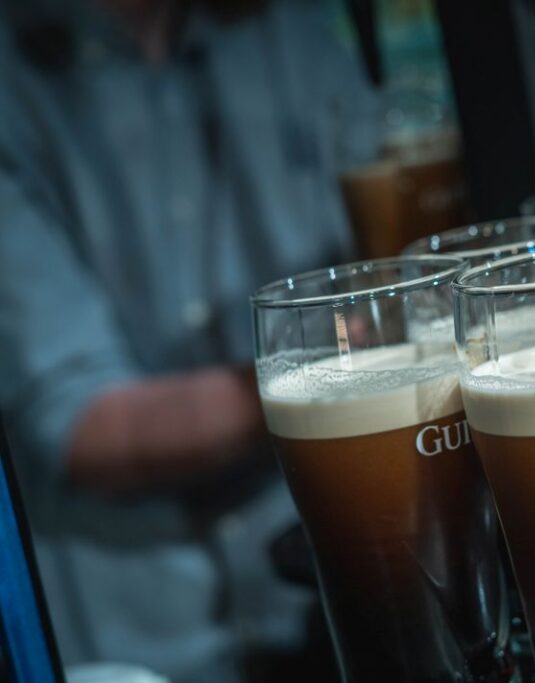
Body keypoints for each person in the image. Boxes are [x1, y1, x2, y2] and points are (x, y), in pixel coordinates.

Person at [0, 0, 379, 680]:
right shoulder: (12, 79)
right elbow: (81, 424)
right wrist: (349, 363)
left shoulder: (295, 36)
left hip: (338, 596)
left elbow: (399, 241)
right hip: (138, 645)